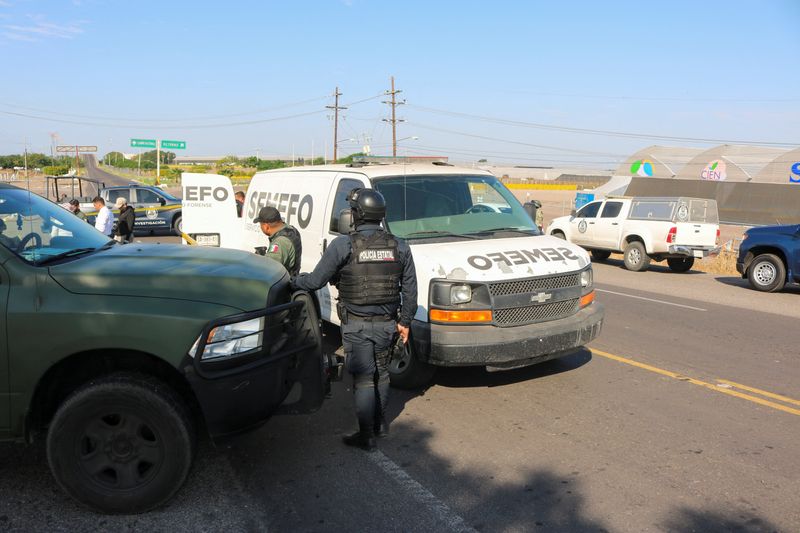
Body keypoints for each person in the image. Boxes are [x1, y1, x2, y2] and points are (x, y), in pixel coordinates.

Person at [292, 188, 417, 451]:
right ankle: (381, 425)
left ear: (357, 214)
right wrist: (404, 322)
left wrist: (292, 281)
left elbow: (315, 281)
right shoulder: (400, 246)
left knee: (363, 379)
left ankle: (366, 436)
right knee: (382, 375)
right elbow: (410, 290)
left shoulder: (343, 245)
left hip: (357, 325)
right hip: (387, 324)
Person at [253, 206, 302, 275]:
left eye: (260, 225)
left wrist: (259, 260)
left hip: (284, 283)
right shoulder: (291, 230)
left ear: (266, 227)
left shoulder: (280, 243)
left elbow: (267, 270)